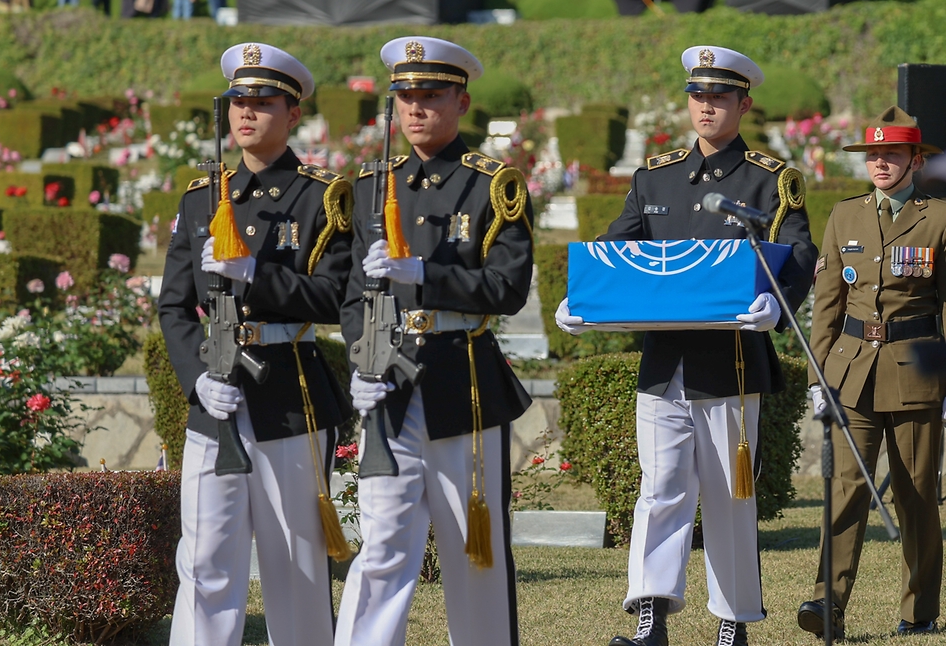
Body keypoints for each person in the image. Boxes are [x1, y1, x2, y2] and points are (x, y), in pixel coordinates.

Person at [557, 46, 817, 646]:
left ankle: (733, 622)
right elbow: (615, 249)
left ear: (743, 103)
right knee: (660, 489)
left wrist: (777, 303)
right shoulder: (655, 176)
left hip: (729, 363)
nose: (707, 106)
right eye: (698, 95)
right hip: (663, 364)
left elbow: (799, 253)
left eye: (720, 96)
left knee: (730, 498)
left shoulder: (770, 179)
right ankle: (651, 615)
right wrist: (584, 300)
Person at [336, 36, 534, 646]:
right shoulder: (372, 183)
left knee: (473, 547)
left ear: (461, 100)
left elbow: (507, 287)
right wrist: (360, 360)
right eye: (405, 96)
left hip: (462, 380)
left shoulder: (491, 185)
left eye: (430, 95)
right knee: (383, 541)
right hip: (388, 380)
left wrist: (427, 275)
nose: (415, 108)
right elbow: (350, 295)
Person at [158, 41, 353, 646]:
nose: (247, 113)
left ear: (293, 113)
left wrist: (258, 276)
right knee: (205, 559)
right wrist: (197, 377)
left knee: (294, 562)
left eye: (264, 101)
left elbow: (338, 299)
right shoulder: (200, 195)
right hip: (213, 397)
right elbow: (173, 305)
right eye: (239, 101)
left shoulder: (322, 196)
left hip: (289, 396)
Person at [797, 106, 946, 640]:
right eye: (872, 154)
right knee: (845, 489)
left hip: (916, 375)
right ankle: (826, 604)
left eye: (891, 154)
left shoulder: (939, 216)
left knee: (916, 494)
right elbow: (827, 303)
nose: (880, 163)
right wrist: (818, 379)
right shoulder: (845, 215)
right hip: (852, 372)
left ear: (915, 159)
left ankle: (919, 609)